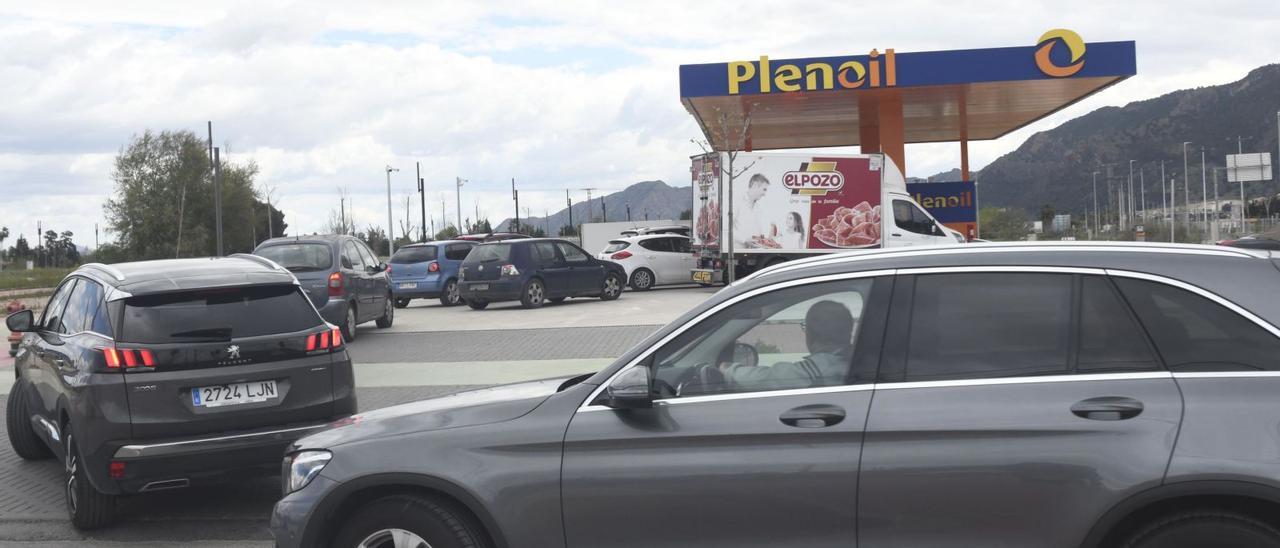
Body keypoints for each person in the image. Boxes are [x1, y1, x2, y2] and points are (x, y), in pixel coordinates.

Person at [720, 300, 854, 390]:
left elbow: (769, 377)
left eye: (805, 327)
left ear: (811, 333)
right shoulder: (854, 358)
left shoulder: (821, 367)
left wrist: (727, 370)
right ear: (848, 331)